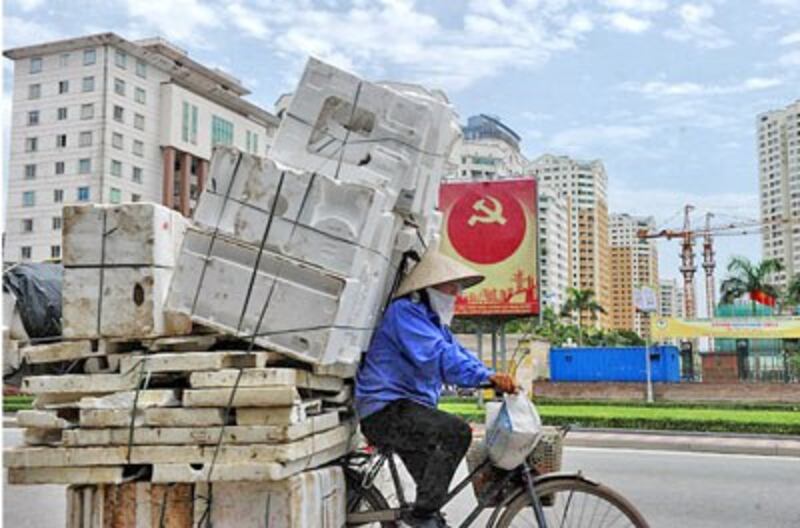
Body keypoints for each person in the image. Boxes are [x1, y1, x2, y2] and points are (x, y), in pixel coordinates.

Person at [355, 248, 518, 528]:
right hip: (385, 411)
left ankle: (426, 518)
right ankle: (421, 518)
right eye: (450, 285)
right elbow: (439, 357)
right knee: (455, 433)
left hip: (408, 410)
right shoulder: (405, 314)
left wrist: (490, 376)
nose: (456, 292)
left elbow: (458, 353)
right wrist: (485, 376)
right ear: (428, 287)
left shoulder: (433, 323)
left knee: (432, 504)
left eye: (458, 287)